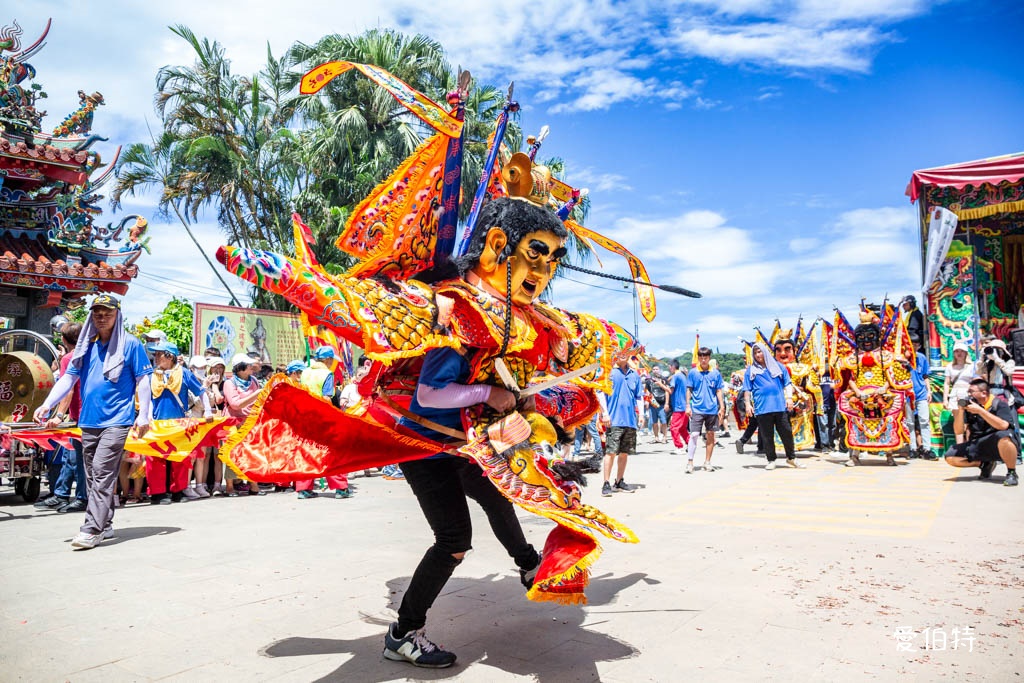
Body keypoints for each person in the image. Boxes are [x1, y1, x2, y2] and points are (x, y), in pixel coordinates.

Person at [33, 295, 153, 550]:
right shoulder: (86, 346)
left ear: (117, 315)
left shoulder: (131, 345)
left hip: (117, 420)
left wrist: (144, 415)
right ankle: (106, 522)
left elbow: (144, 380)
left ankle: (92, 528)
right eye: (97, 312)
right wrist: (47, 404)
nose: (101, 317)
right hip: (88, 420)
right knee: (92, 475)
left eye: (107, 313)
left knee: (101, 471)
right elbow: (68, 378)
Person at [146, 342, 212, 504]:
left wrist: (208, 410)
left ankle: (178, 490)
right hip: (158, 424)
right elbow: (147, 398)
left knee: (180, 458)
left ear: (170, 356)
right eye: (155, 354)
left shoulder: (184, 374)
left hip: (179, 423)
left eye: (159, 354)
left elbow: (201, 391)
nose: (155, 357)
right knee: (155, 459)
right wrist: (146, 416)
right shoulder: (152, 375)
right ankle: (158, 493)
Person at [34, 323, 87, 513]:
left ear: (64, 340)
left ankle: (81, 497)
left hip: (79, 416)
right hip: (83, 414)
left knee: (77, 458)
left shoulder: (69, 358)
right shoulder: (87, 354)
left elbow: (68, 389)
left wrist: (58, 416)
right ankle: (62, 494)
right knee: (70, 457)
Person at [295, 354, 352, 500]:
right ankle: (340, 488)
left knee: (307, 453)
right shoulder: (327, 374)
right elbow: (326, 398)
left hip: (305, 417)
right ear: (328, 360)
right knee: (332, 453)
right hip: (321, 417)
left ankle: (304, 489)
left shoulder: (305, 372)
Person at [943, 378, 1019, 486]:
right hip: (978, 443)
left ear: (984, 393)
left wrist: (980, 411)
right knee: (950, 457)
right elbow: (959, 431)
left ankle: (1011, 472)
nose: (969, 394)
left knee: (1004, 437)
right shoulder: (970, 406)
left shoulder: (999, 404)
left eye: (971, 392)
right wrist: (960, 411)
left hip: (997, 443)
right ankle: (984, 464)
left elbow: (1003, 426)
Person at [742, 342, 804, 470]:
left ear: (765, 351)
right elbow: (747, 389)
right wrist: (748, 404)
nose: (758, 355)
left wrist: (789, 399)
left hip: (780, 406)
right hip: (762, 407)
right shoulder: (751, 371)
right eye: (755, 353)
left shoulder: (779, 367)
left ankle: (791, 458)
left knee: (786, 433)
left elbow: (787, 384)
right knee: (766, 435)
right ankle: (771, 459)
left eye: (759, 351)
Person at [222, 354, 266, 497]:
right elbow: (235, 404)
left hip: (250, 421)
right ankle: (229, 486)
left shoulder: (253, 380)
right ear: (239, 368)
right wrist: (256, 395)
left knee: (252, 453)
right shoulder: (230, 383)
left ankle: (253, 484)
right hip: (233, 421)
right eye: (248, 365)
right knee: (233, 453)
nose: (251, 367)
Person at [603, 354, 643, 495]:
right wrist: (605, 413)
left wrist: (641, 415)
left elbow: (639, 396)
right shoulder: (609, 372)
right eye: (620, 352)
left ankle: (619, 481)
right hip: (614, 419)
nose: (623, 356)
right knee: (611, 452)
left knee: (625, 453)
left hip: (630, 419)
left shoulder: (634, 374)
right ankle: (606, 483)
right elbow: (600, 393)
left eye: (625, 352)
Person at [685, 348, 725, 473]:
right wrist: (687, 405)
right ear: (698, 358)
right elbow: (689, 390)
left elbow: (719, 390)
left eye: (706, 357)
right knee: (694, 435)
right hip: (697, 408)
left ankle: (707, 462)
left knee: (711, 435)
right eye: (701, 357)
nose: (703, 359)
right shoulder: (693, 372)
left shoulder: (716, 373)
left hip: (712, 409)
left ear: (709, 358)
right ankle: (690, 462)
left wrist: (722, 406)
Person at [902, 338, 934, 459]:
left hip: (921, 393)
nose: (914, 346)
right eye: (912, 344)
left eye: (916, 344)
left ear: (919, 345)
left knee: (924, 421)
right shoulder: (902, 358)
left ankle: (927, 448)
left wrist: (929, 391)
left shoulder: (922, 358)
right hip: (907, 393)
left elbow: (925, 375)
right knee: (909, 422)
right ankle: (912, 448)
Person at [943, 342, 976, 444]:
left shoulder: (972, 366)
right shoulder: (950, 367)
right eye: (957, 351)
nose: (959, 353)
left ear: (966, 353)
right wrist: (945, 399)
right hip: (956, 395)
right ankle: (960, 445)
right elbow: (947, 383)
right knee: (959, 420)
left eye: (962, 351)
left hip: (968, 394)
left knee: (969, 421)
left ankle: (969, 445)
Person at [667, 359, 690, 456]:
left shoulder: (676, 376)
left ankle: (679, 447)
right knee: (682, 429)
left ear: (672, 366)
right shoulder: (682, 375)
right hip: (684, 406)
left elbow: (670, 390)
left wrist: (661, 385)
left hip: (679, 406)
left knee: (674, 428)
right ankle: (690, 444)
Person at [646, 368, 670, 444]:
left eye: (657, 369)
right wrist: (647, 401)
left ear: (659, 370)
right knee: (654, 422)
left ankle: (665, 437)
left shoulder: (663, 379)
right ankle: (656, 437)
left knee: (663, 421)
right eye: (653, 369)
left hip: (662, 403)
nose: (655, 370)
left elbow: (667, 391)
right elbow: (647, 391)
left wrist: (667, 403)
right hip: (653, 403)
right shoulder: (649, 380)